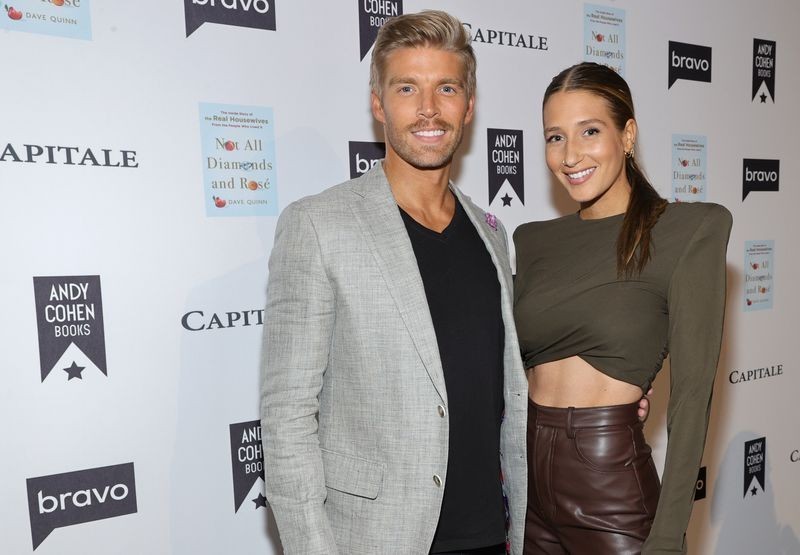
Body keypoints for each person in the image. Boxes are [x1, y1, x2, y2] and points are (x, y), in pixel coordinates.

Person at [259, 11, 528, 554]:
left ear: (469, 105)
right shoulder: (319, 225)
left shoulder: (493, 235)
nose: (428, 108)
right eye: (407, 88)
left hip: (490, 537)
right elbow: (287, 417)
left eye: (445, 88)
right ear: (378, 103)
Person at [513, 62, 732, 554]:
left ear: (627, 134)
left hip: (608, 483)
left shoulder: (688, 230)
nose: (570, 156)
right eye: (554, 137)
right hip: (528, 485)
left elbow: (693, 396)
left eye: (590, 131)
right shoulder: (533, 241)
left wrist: (669, 536)